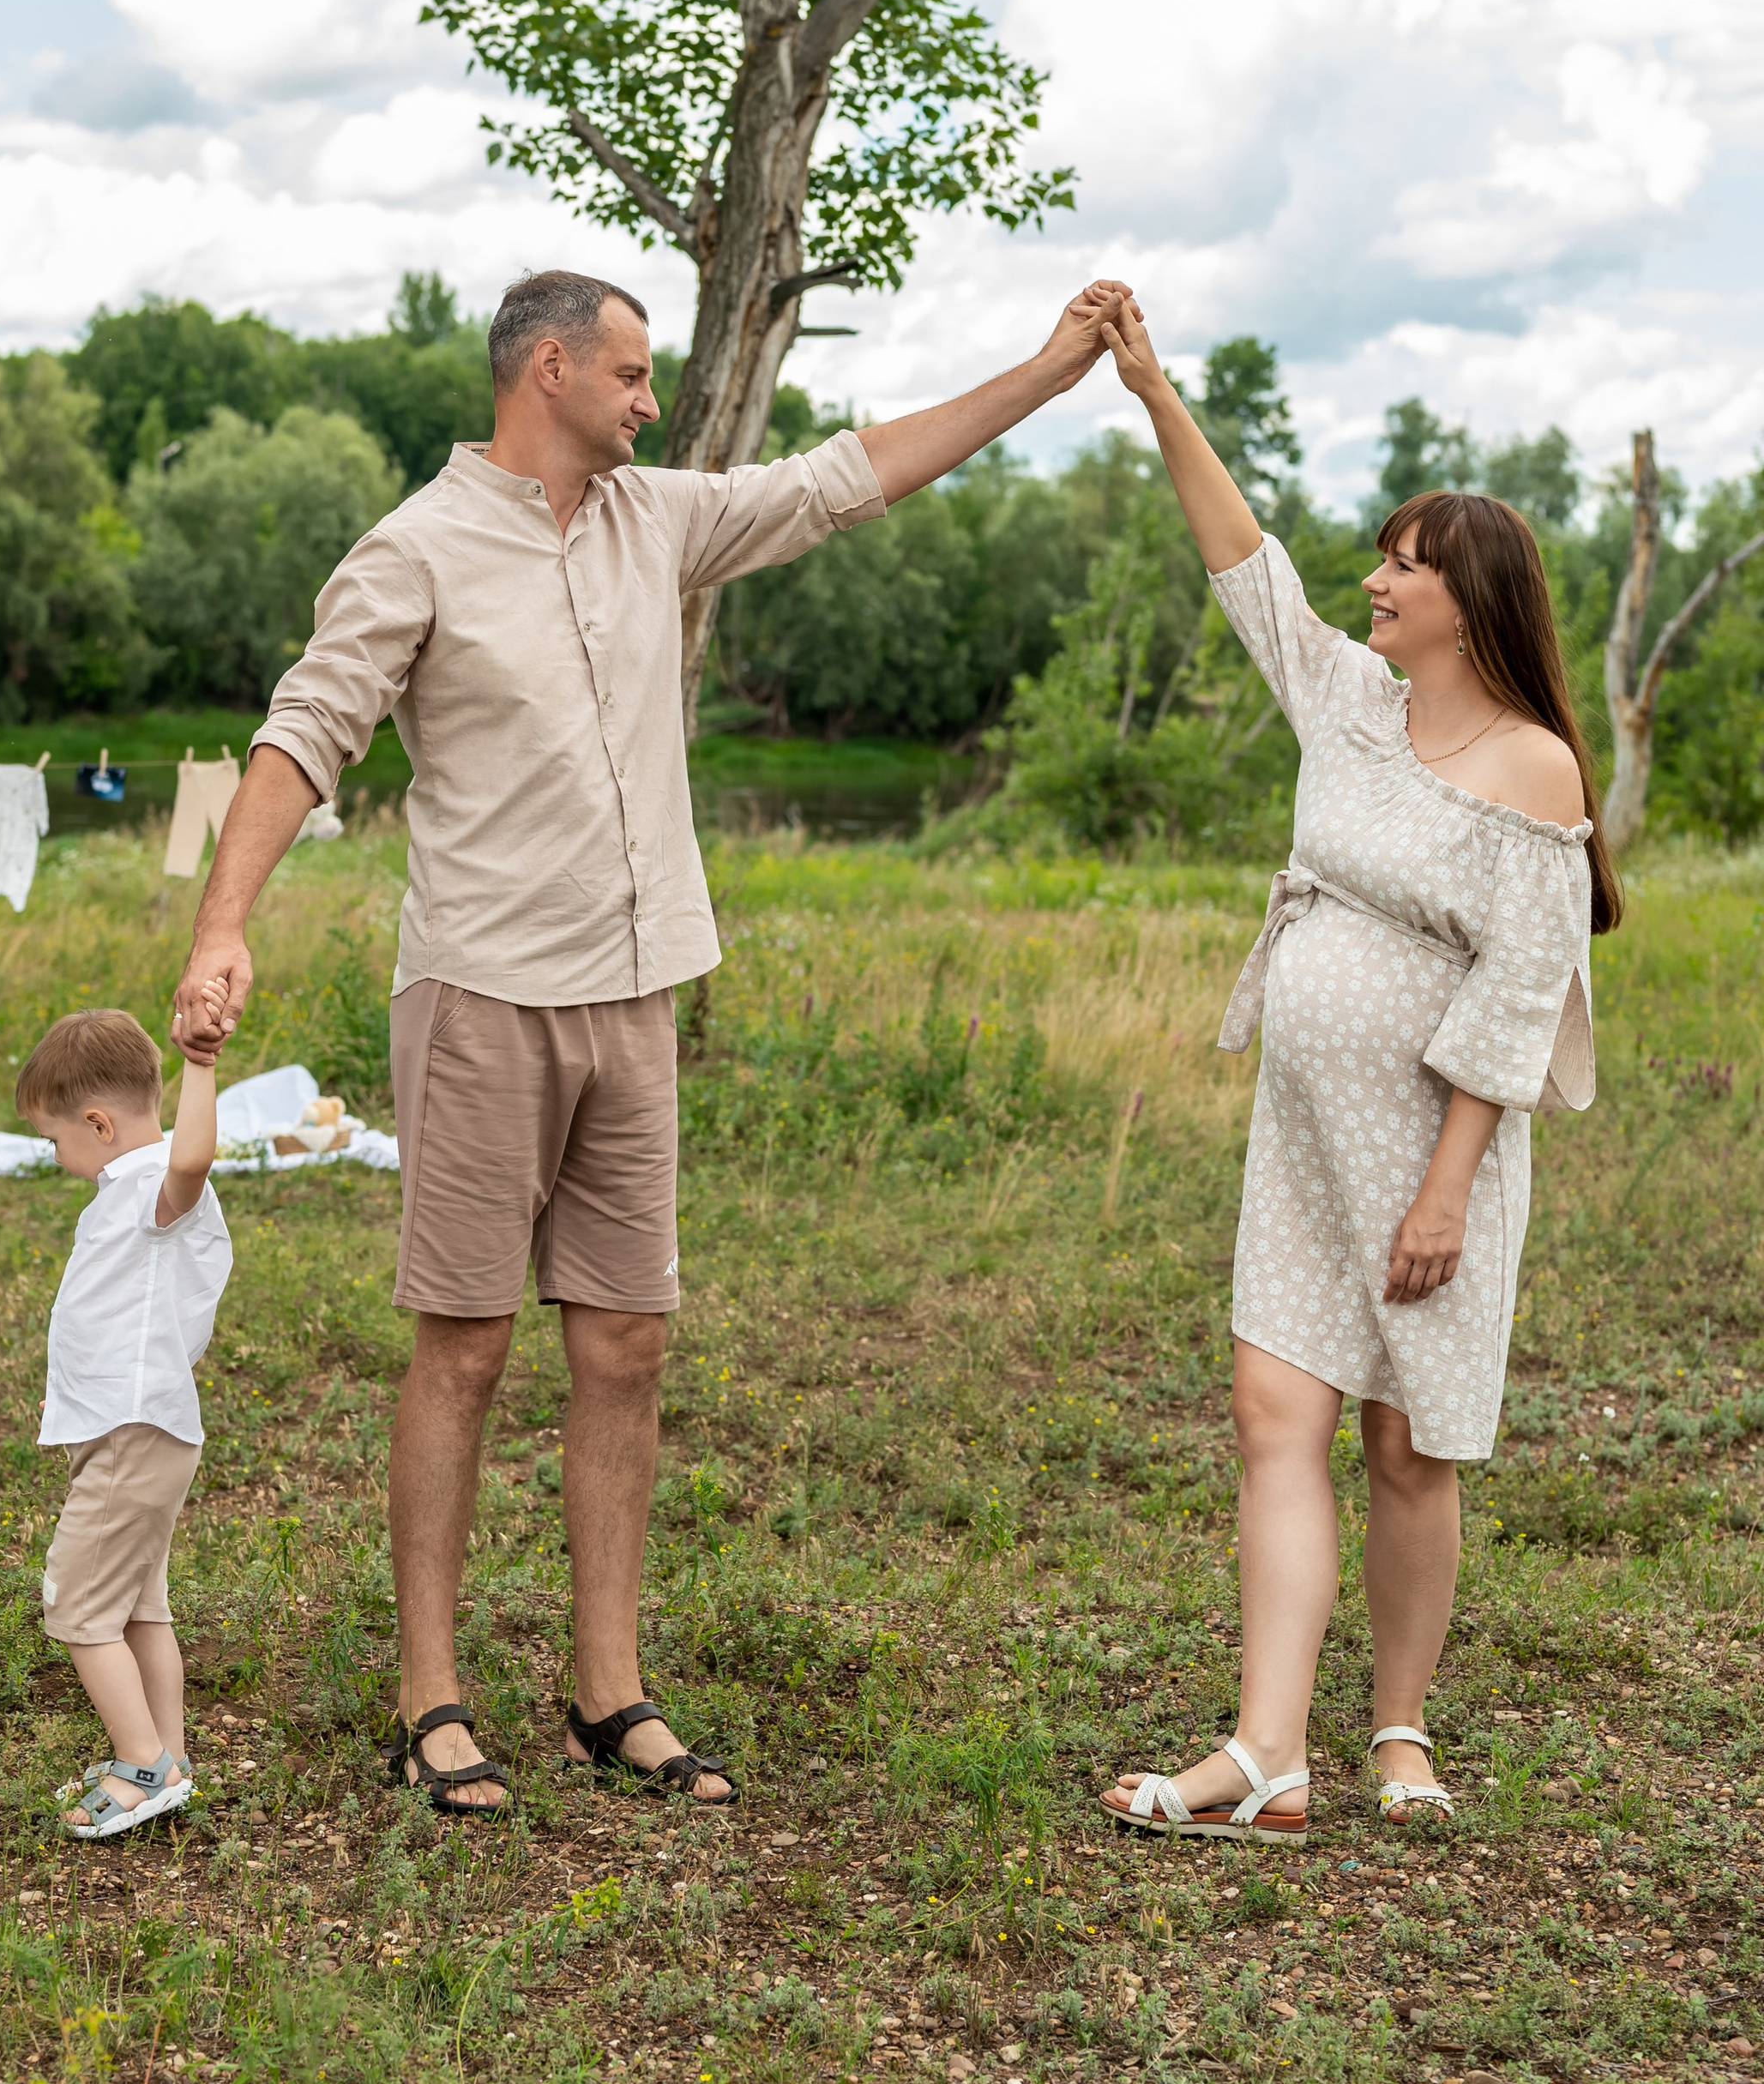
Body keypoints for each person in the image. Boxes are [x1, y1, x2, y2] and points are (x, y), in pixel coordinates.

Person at [172, 264, 1129, 1814]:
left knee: (624, 1340)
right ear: (545, 370)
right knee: (465, 1344)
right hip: (482, 995)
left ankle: (606, 1689)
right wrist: (225, 924)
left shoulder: (657, 521)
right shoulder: (414, 548)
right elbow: (304, 735)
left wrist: (1043, 374)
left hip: (638, 995)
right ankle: (431, 1694)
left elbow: (844, 479)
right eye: (626, 374)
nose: (648, 401)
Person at [1093, 292, 1616, 1842]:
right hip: (1304, 1134)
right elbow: (1239, 563)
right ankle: (1268, 1751)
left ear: (1471, 598)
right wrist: (1153, 392)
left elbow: (1523, 992)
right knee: (1274, 1411)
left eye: (1404, 563)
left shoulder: (1533, 768)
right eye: (1384, 559)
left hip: (1429, 1152)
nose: (1375, 581)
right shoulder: (1349, 708)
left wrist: (1448, 1189)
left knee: (1404, 1440)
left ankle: (1395, 1728)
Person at [18, 1001, 232, 1839]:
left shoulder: (154, 1186)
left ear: (98, 1122)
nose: (54, 1154)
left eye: (54, 1137)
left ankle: (138, 1764)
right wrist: (68, 1394)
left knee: (76, 1607)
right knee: (140, 1607)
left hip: (135, 1438)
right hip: (129, 1429)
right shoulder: (124, 1194)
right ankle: (167, 1760)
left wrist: (202, 1065)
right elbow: (112, 1316)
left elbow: (194, 1157)